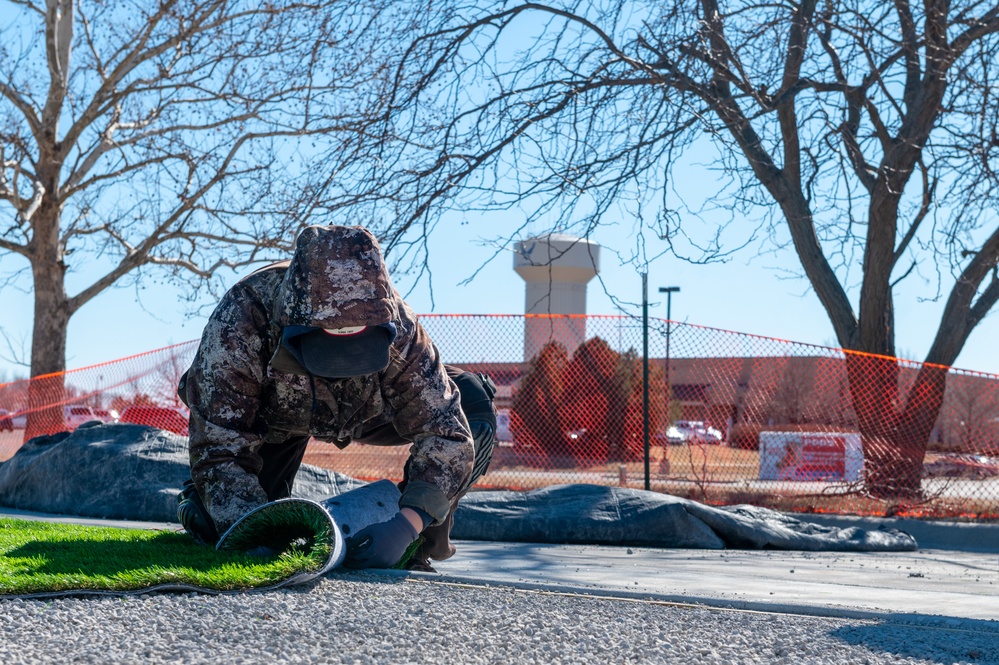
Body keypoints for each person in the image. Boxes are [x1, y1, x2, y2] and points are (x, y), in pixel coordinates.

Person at [175, 224, 496, 570]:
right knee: (236, 524)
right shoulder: (242, 318)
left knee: (472, 403)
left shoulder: (400, 326)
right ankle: (203, 502)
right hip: (277, 417)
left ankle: (414, 545)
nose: (342, 363)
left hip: (372, 411)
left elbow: (445, 432)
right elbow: (219, 444)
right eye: (330, 346)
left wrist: (407, 525)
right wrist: (255, 529)